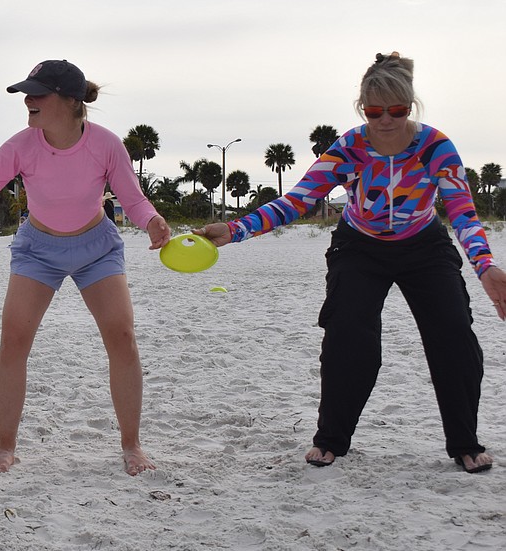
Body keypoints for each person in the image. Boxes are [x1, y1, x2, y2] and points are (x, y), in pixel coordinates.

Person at [195, 52, 506, 473]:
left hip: (424, 247)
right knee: (348, 338)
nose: (386, 119)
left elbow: (463, 212)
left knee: (453, 336)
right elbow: (299, 200)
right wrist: (235, 229)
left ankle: (464, 442)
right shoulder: (350, 147)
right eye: (375, 110)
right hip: (360, 247)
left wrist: (486, 267)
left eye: (397, 110)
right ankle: (331, 439)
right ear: (363, 108)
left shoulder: (436, 147)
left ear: (410, 106)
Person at [0, 60, 171, 475]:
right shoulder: (21, 145)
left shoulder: (106, 144)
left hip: (97, 249)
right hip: (38, 250)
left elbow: (133, 199)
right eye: (26, 92)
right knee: (14, 339)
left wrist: (152, 221)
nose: (28, 100)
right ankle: (6, 447)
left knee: (122, 336)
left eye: (38, 93)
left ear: (71, 102)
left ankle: (131, 445)